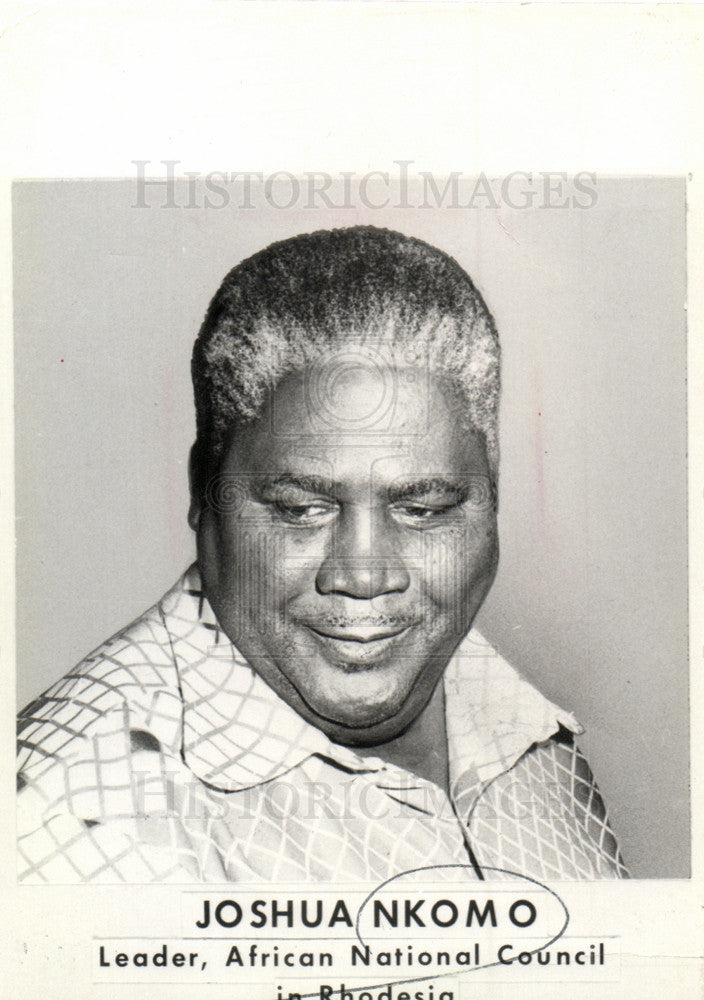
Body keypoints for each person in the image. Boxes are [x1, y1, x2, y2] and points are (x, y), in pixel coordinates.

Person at [17, 226, 628, 883]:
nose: (364, 575)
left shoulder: (527, 732)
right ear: (203, 490)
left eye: (421, 510)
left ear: (491, 490)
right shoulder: (68, 821)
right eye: (301, 510)